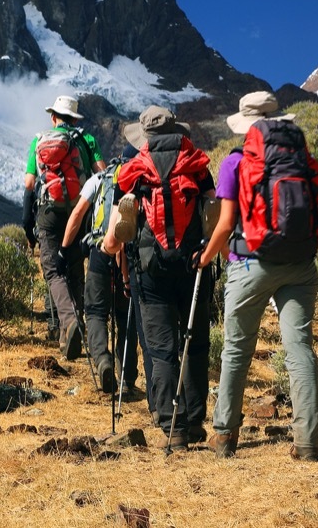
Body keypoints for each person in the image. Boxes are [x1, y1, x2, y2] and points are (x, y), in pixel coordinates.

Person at [198, 91, 318, 460]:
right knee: (299, 348)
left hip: (250, 264)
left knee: (237, 348)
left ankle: (225, 435)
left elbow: (227, 222)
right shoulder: (303, 159)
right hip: (300, 264)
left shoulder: (235, 162)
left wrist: (205, 257)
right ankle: (308, 442)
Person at [112, 105, 215, 451]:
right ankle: (197, 417)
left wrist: (110, 250)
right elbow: (212, 212)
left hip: (150, 268)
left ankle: (176, 428)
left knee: (161, 349)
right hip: (193, 264)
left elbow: (115, 235)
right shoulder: (197, 165)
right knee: (196, 342)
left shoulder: (132, 172)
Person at [23, 95, 106, 360]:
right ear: (74, 119)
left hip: (48, 212)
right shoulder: (86, 140)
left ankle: (68, 325)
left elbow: (28, 184)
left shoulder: (39, 140)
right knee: (72, 268)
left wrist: (27, 223)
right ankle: (73, 330)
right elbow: (103, 174)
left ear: (53, 117)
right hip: (78, 212)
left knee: (52, 272)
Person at [60, 147, 141, 394]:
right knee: (125, 315)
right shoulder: (139, 180)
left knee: (95, 312)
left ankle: (102, 360)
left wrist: (64, 249)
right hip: (128, 254)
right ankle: (126, 378)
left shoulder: (100, 178)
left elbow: (77, 214)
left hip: (99, 251)